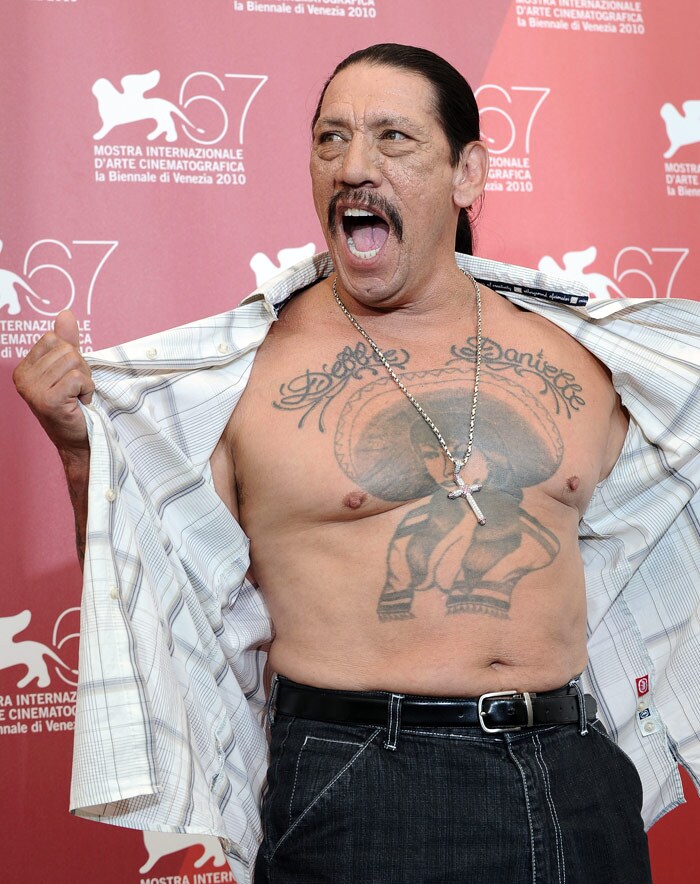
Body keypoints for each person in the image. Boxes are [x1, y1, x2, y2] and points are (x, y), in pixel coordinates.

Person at [13, 43, 700, 884]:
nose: (353, 166)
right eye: (330, 140)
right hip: (361, 781)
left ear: (468, 173)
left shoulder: (590, 360)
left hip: (569, 776)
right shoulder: (242, 378)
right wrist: (83, 457)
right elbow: (143, 590)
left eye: (393, 139)